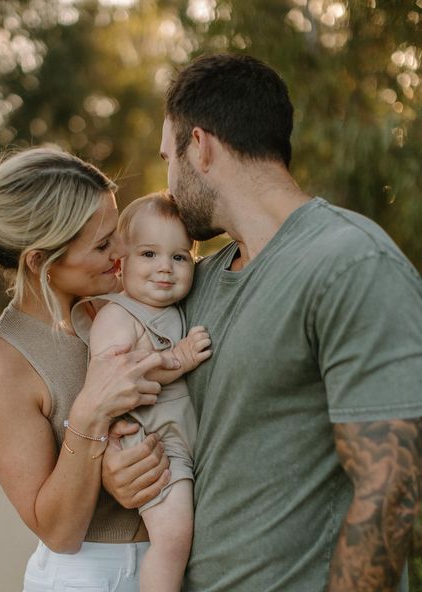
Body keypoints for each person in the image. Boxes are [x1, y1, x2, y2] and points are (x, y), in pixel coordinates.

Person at [101, 54, 422, 591]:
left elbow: (391, 487)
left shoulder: (351, 264)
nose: (169, 183)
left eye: (167, 158)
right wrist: (121, 468)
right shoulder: (194, 282)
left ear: (199, 147)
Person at [0, 147, 178, 592]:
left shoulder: (126, 301)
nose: (124, 250)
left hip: (171, 565)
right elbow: (57, 531)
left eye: (118, 232)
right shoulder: (1, 364)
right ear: (40, 264)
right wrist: (90, 418)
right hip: (92, 578)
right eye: (102, 244)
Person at [72, 192, 211, 591]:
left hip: (179, 436)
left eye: (180, 257)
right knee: (172, 541)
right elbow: (117, 377)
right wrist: (179, 359)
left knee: (187, 538)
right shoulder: (116, 315)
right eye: (149, 254)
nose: (165, 268)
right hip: (151, 443)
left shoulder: (173, 310)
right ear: (121, 261)